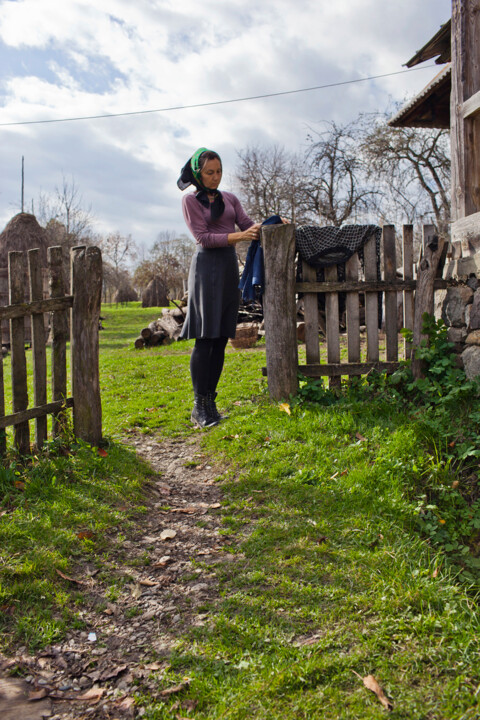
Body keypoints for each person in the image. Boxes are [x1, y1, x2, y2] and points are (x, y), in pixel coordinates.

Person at [177, 147, 261, 428]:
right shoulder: (190, 201)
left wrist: (272, 224)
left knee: (223, 337)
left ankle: (211, 404)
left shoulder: (230, 199)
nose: (215, 178)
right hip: (205, 270)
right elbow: (203, 237)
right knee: (206, 337)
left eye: (219, 172)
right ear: (198, 173)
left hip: (227, 269)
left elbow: (249, 225)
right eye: (210, 173)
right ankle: (198, 407)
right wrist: (239, 235)